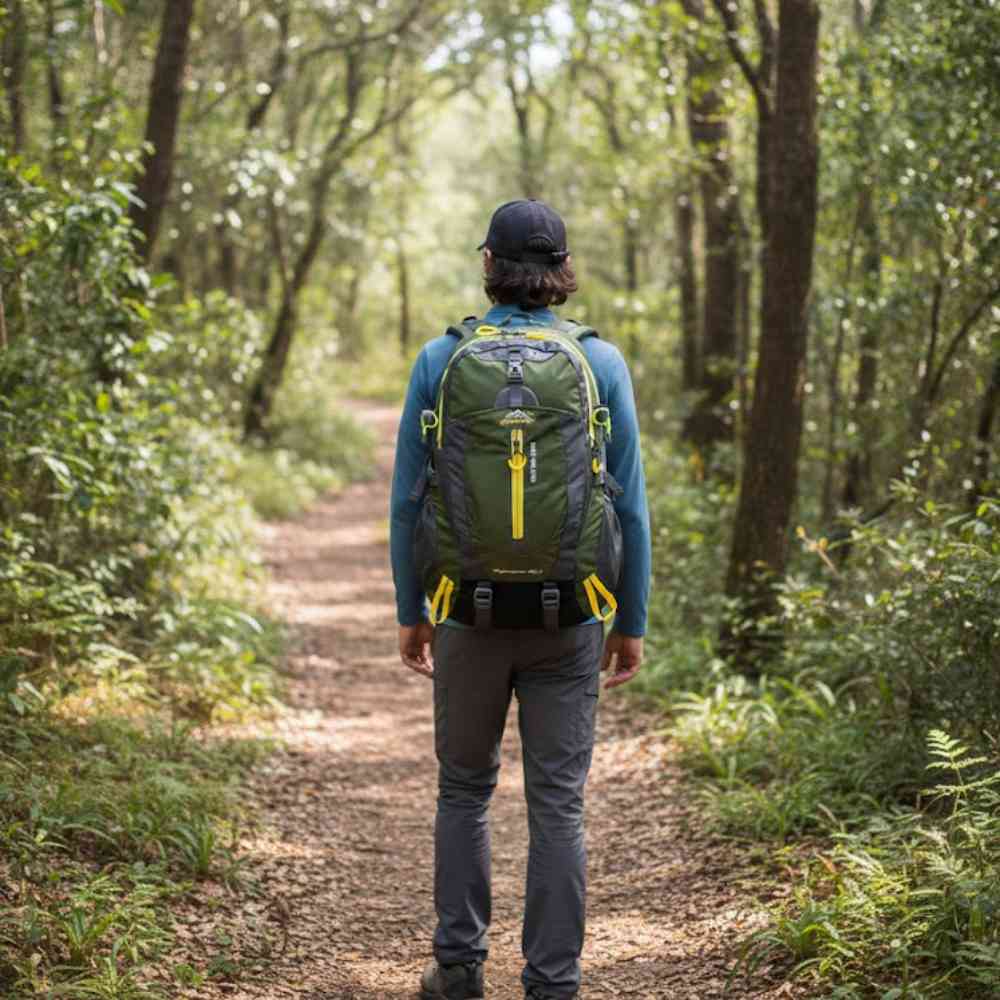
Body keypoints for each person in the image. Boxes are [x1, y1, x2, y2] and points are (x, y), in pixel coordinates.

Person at [389, 199, 651, 1000]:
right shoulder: (599, 364)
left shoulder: (442, 357)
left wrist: (412, 607)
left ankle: (460, 968)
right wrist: (628, 620)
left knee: (463, 790)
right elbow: (631, 505)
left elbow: (408, 499)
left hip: (465, 609)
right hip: (571, 616)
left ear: (488, 264)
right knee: (558, 808)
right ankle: (553, 983)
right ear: (562, 270)